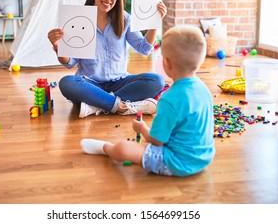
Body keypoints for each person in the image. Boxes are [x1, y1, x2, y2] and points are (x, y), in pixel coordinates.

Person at [81, 26, 215, 177]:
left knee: (123, 148)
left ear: (167, 63)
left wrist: (142, 128)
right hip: (204, 157)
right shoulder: (204, 89)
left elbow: (157, 141)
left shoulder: (169, 99)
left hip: (177, 162)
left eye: (161, 56)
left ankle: (106, 148)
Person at [48, 0, 167, 118]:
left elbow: (144, 49)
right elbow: (70, 63)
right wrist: (58, 47)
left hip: (120, 82)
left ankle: (97, 105)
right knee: (67, 83)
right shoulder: (79, 19)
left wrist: (154, 22)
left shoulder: (124, 19)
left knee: (156, 81)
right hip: (89, 84)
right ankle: (118, 105)